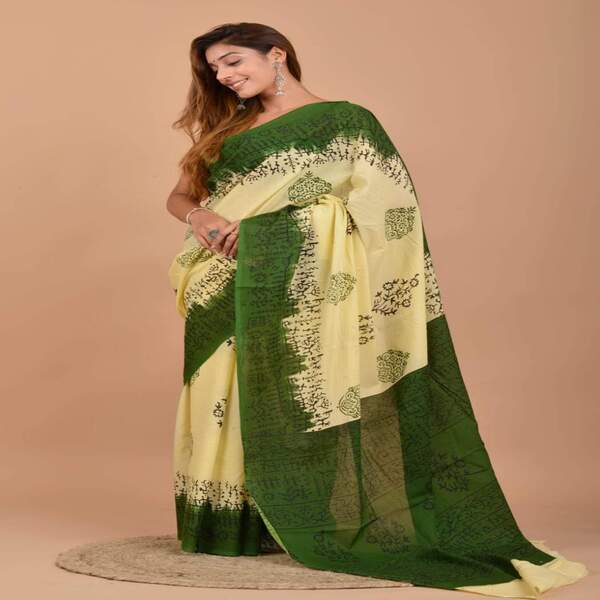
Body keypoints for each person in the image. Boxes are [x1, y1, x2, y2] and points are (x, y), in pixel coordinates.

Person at [165, 21, 588, 597]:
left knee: (295, 395)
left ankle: (306, 516)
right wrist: (201, 216)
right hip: (222, 279)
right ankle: (232, 528)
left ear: (277, 54)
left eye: (234, 61)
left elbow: (390, 211)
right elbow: (181, 195)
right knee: (224, 398)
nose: (224, 76)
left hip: (302, 282)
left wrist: (273, 230)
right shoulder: (228, 128)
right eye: (214, 68)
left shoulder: (346, 122)